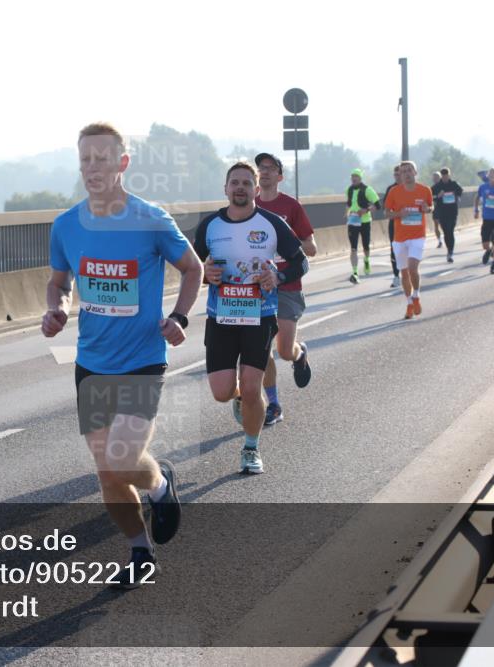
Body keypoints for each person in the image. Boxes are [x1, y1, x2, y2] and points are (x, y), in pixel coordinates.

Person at [42, 122, 203, 589]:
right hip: (91, 363)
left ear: (122, 164)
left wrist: (180, 317)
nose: (92, 168)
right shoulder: (66, 225)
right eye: (85, 159)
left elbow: (192, 269)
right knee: (108, 473)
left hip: (142, 359)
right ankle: (139, 548)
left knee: (123, 456)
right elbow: (59, 282)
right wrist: (57, 308)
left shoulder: (150, 219)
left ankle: (159, 486)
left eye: (102, 159)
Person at [194, 162, 308, 474]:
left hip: (260, 316)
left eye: (247, 182)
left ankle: (251, 448)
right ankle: (243, 399)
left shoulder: (272, 223)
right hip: (221, 318)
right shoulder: (210, 226)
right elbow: (192, 268)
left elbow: (301, 263)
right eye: (235, 183)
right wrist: (205, 273)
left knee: (252, 383)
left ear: (256, 190)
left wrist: (277, 275)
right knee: (221, 392)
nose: (241, 187)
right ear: (226, 188)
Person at [254, 152, 316, 426]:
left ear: (280, 176)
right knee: (261, 348)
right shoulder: (247, 205)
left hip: (288, 285)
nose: (264, 172)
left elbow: (311, 248)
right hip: (256, 287)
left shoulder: (291, 206)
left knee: (284, 350)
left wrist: (286, 237)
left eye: (270, 168)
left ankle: (299, 354)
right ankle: (274, 404)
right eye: (260, 168)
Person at [384, 161, 433, 319]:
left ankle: (416, 296)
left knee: (413, 268)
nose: (406, 173)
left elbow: (431, 207)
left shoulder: (425, 190)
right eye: (403, 171)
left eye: (409, 170)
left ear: (415, 172)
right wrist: (399, 214)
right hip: (400, 238)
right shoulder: (394, 191)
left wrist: (428, 209)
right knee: (404, 273)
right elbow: (387, 213)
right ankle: (409, 303)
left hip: (417, 236)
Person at [344, 168, 381, 284]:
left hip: (365, 221)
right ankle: (355, 272)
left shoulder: (367, 190)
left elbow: (378, 205)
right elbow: (349, 204)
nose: (354, 179)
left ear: (360, 178)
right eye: (352, 176)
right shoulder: (348, 190)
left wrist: (366, 210)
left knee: (366, 246)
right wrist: (346, 213)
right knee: (353, 248)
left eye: (356, 176)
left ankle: (366, 260)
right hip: (352, 221)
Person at [431, 167, 464, 262]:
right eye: (443, 175)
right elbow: (430, 196)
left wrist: (455, 195)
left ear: (449, 175)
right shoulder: (437, 186)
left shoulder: (454, 184)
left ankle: (450, 252)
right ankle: (449, 250)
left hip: (452, 212)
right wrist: (438, 196)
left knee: (450, 230)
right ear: (441, 176)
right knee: (446, 232)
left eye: (446, 175)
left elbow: (460, 191)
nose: (445, 177)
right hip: (442, 212)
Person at [383, 165, 402, 288]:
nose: (397, 177)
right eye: (395, 175)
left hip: (410, 225)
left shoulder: (411, 188)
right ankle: (396, 276)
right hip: (394, 224)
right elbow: (386, 209)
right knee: (394, 250)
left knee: (407, 250)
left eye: (399, 174)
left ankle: (408, 272)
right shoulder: (390, 189)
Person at [431, 171, 443, 248]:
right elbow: (430, 198)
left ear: (440, 178)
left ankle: (448, 238)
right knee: (436, 226)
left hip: (444, 209)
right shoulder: (432, 188)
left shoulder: (444, 186)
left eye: (437, 177)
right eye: (434, 177)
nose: (435, 179)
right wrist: (437, 197)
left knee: (444, 226)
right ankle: (439, 241)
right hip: (436, 209)